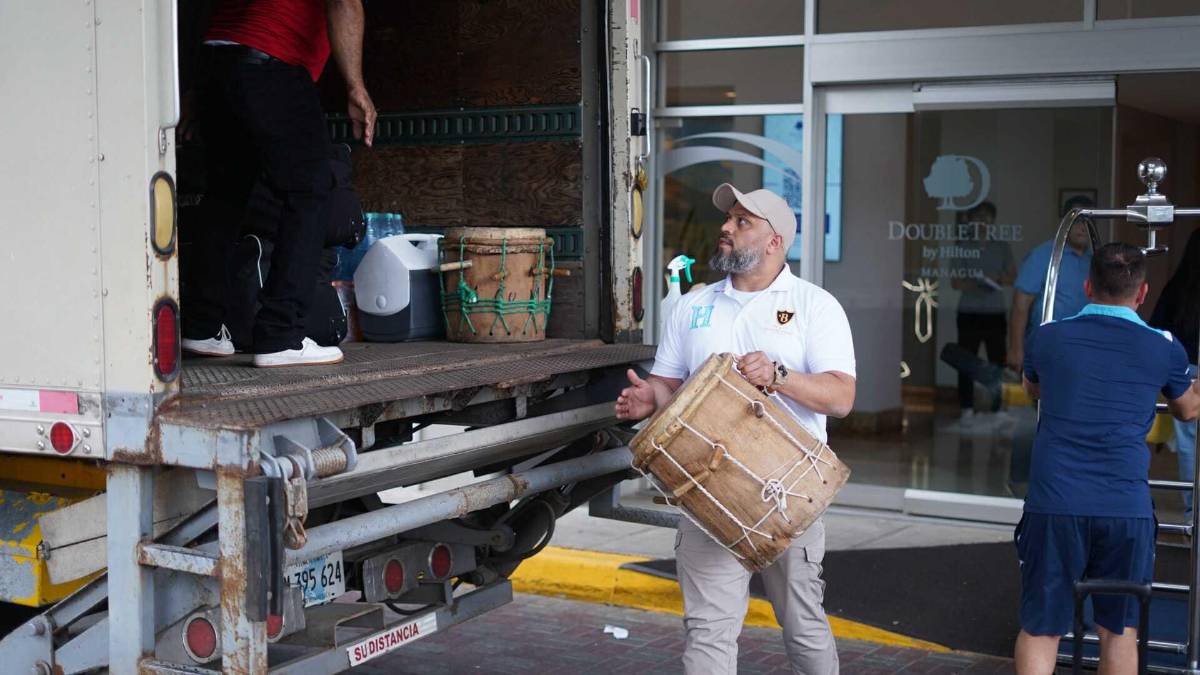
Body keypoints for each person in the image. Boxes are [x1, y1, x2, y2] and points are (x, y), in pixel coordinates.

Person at [616, 184, 856, 674]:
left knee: (802, 625)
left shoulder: (815, 305)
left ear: (775, 242)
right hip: (707, 492)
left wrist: (780, 376)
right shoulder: (693, 306)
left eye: (743, 221)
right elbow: (670, 386)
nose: (726, 227)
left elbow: (842, 396)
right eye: (729, 218)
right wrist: (649, 400)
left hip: (790, 494)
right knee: (708, 631)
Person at [1015, 243, 1200, 675]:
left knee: (1041, 629)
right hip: (1125, 509)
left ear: (1086, 286)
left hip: (1055, 505)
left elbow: (1033, 389)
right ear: (1142, 293)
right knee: (1119, 634)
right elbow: (1187, 409)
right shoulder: (1163, 347)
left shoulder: (1047, 336)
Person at [181, 0, 376, 367]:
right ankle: (280, 334)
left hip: (218, 61)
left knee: (226, 192)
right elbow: (344, 2)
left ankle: (201, 324)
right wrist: (356, 87)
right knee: (311, 190)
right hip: (272, 62)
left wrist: (196, 88)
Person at [1007, 196, 1095, 373]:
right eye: (1076, 220)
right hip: (1047, 348)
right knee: (1045, 399)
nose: (1082, 226)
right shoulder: (1043, 255)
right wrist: (1016, 349)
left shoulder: (1095, 260)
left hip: (1084, 350)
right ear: (1064, 222)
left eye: (1087, 221)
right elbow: (1020, 305)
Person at [1150, 228, 1200, 525]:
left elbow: (1156, 329)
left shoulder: (1179, 286)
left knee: (1188, 447)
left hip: (1185, 371)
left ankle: (1193, 514)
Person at [951, 201, 1015, 419]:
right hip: (969, 311)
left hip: (995, 311)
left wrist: (996, 279)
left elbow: (1013, 276)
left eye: (987, 218)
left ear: (993, 222)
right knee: (966, 360)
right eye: (979, 218)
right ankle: (966, 408)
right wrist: (977, 282)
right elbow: (956, 282)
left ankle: (998, 407)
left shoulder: (1002, 246)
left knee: (997, 360)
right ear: (971, 220)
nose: (983, 223)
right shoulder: (962, 246)